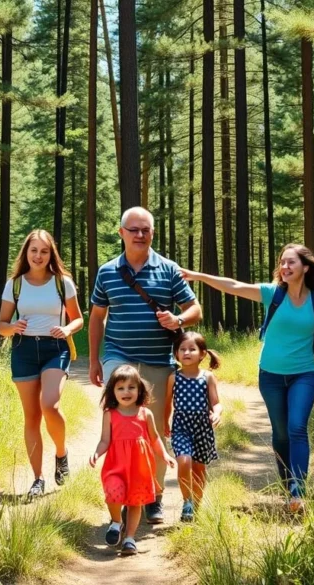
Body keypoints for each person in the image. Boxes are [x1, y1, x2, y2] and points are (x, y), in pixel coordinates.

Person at [182, 243, 314, 515]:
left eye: (291, 263)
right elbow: (234, 286)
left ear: (305, 267)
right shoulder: (273, 294)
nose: (284, 267)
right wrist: (198, 276)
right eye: (282, 263)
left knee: (297, 428)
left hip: (303, 374)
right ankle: (289, 488)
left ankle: (298, 491)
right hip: (270, 376)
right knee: (281, 433)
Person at [89, 206, 202, 523]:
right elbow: (97, 317)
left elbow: (195, 308)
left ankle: (153, 495)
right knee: (122, 424)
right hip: (118, 355)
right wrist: (97, 360)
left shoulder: (167, 269)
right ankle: (122, 490)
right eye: (134, 229)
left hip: (157, 361)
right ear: (121, 232)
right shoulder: (107, 271)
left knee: (153, 429)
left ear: (152, 233)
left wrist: (178, 318)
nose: (140, 235)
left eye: (146, 230)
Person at [0, 230, 84, 499]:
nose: (38, 256)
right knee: (32, 417)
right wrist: (12, 327)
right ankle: (38, 478)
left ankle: (61, 453)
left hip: (54, 348)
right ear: (26, 253)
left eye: (44, 251)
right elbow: (1, 326)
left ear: (51, 255)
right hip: (23, 349)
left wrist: (67, 329)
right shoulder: (15, 284)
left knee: (50, 405)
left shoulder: (62, 283)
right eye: (33, 250)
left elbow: (78, 319)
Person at [89, 365, 176, 556]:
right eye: (120, 388)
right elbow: (105, 440)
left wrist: (165, 455)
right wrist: (97, 453)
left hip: (139, 468)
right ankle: (116, 522)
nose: (126, 392)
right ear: (112, 391)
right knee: (113, 492)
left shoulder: (146, 414)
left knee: (135, 503)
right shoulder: (110, 414)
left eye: (131, 387)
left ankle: (129, 538)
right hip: (116, 466)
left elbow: (155, 439)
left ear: (139, 389)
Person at [164, 331, 222, 523]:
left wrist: (217, 413)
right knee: (184, 461)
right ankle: (187, 501)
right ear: (176, 354)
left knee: (198, 469)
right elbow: (167, 404)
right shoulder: (174, 377)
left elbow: (216, 402)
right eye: (182, 349)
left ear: (202, 353)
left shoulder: (207, 377)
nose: (186, 353)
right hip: (181, 426)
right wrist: (165, 422)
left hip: (202, 429)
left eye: (192, 349)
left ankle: (196, 506)